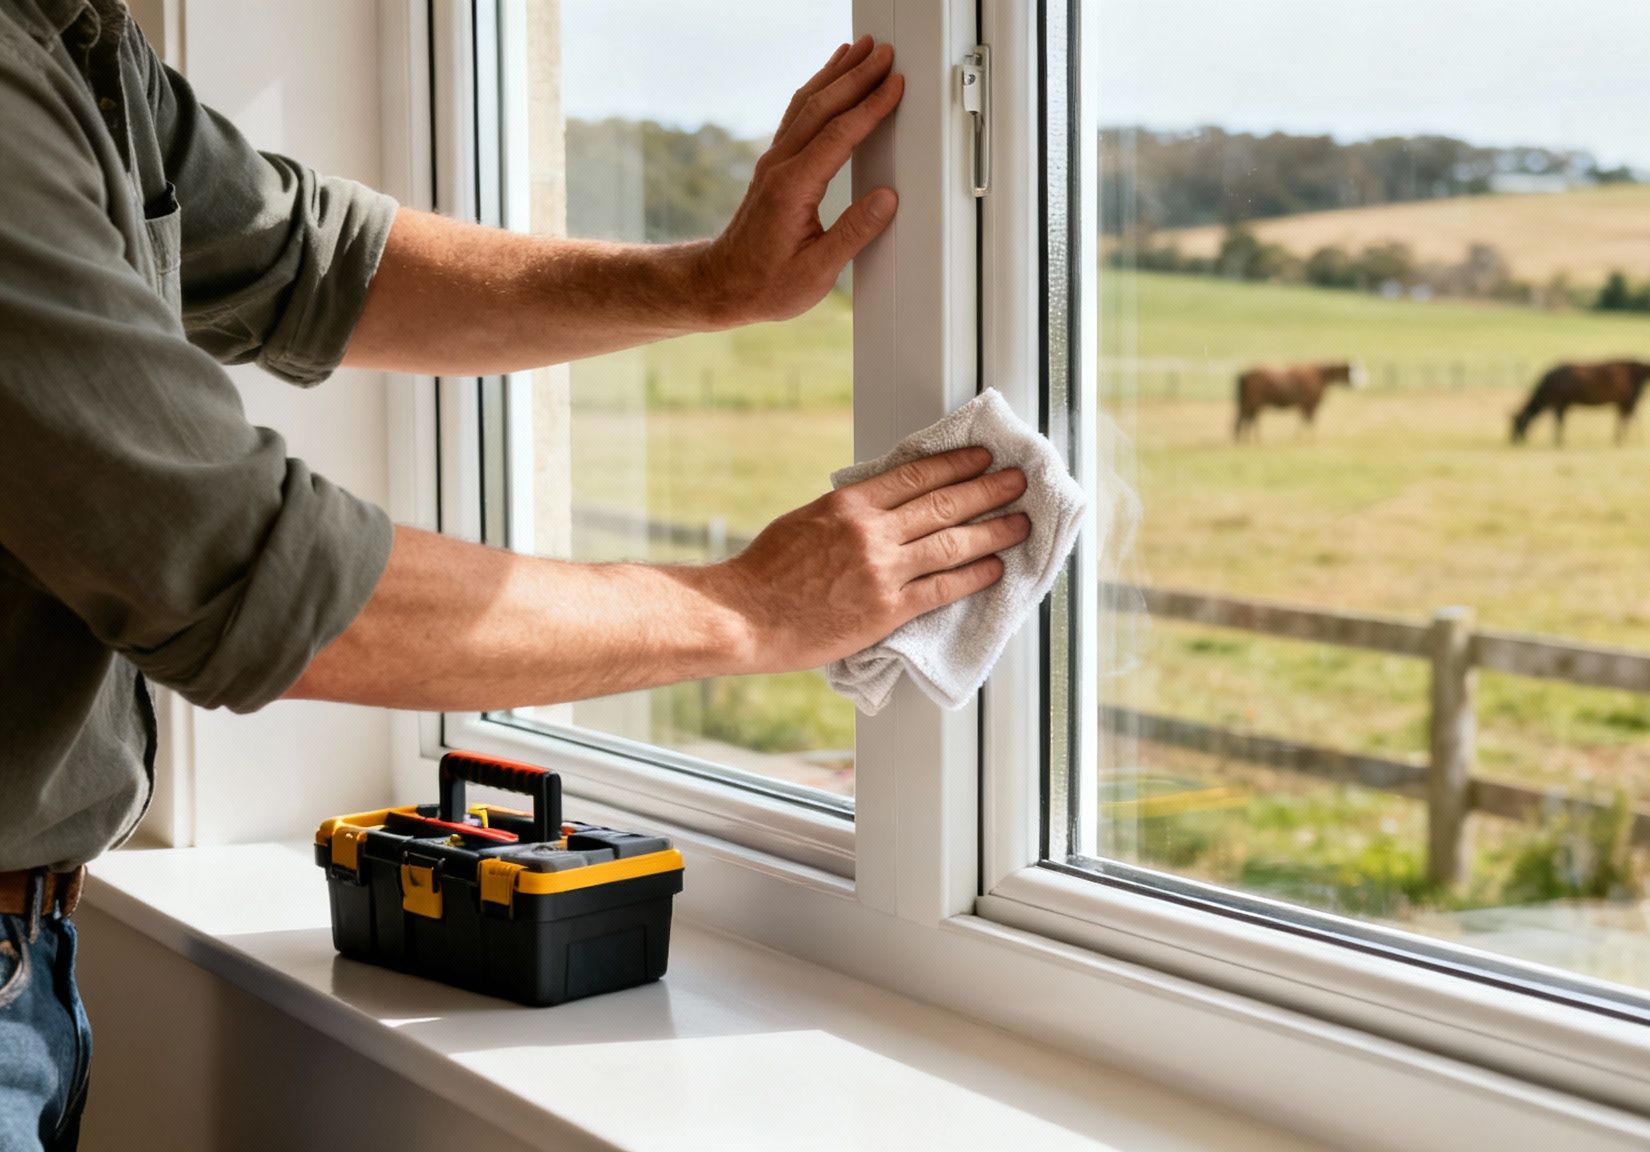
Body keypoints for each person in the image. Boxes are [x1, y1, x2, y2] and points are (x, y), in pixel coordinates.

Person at [0, 3, 1029, 1146]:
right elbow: (234, 564)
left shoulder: (66, 41)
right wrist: (750, 608)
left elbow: (307, 261)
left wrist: (707, 283)